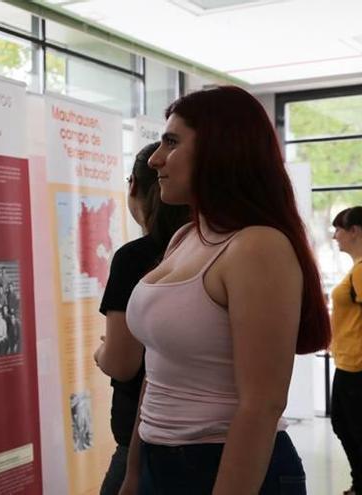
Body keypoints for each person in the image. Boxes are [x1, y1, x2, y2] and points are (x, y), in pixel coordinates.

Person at [122, 86, 330, 494]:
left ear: (220, 150)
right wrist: (133, 473)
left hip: (225, 465)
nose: (154, 159)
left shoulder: (257, 246)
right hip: (158, 459)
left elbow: (262, 405)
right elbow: (157, 369)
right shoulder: (185, 236)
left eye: (172, 142)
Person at [93, 142, 189, 495]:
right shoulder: (205, 248)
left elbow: (123, 363)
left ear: (133, 185)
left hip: (150, 433)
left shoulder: (135, 258)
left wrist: (101, 353)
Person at [330, 206, 362, 495]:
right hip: (347, 361)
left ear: (355, 231)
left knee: (351, 427)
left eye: (339, 229)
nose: (335, 236)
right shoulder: (357, 268)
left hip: (356, 365)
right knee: (344, 424)